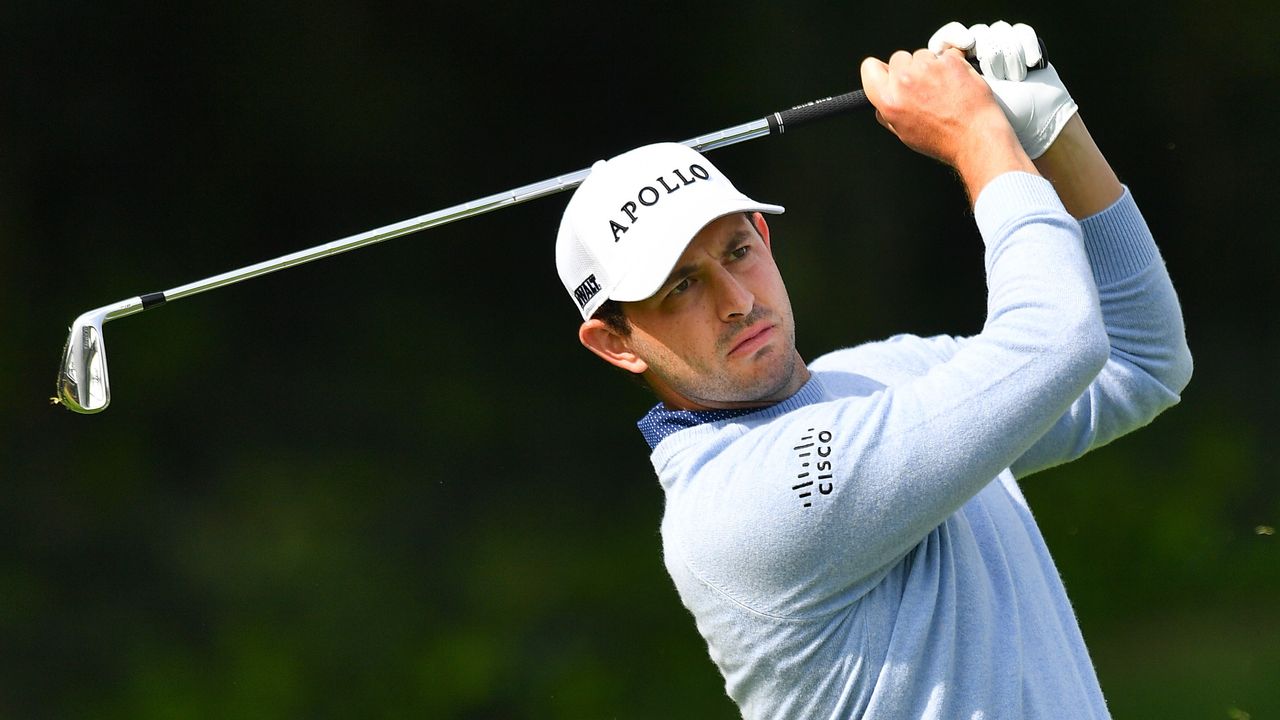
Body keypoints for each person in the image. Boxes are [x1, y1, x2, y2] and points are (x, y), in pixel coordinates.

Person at [554, 20, 1192, 719]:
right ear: (615, 343)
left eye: (737, 252)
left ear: (764, 237)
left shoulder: (882, 375)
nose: (736, 302)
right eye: (681, 287)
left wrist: (1051, 134)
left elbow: (1138, 360)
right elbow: (1055, 342)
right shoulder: (738, 506)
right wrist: (979, 137)